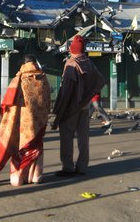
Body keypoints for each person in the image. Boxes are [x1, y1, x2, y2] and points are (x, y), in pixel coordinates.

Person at [0, 54, 51, 186]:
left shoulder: (19, 79)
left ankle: (18, 178)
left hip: (21, 122)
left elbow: (8, 103)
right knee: (36, 146)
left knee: (20, 147)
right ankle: (36, 176)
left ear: (23, 64)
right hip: (38, 121)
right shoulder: (44, 79)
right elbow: (47, 101)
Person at [52, 35, 106, 176]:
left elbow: (66, 90)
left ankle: (68, 167)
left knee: (66, 136)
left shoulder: (71, 64)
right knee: (83, 137)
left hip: (71, 107)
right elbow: (100, 81)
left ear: (72, 50)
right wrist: (87, 96)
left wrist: (60, 109)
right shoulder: (88, 62)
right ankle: (82, 166)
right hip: (85, 106)